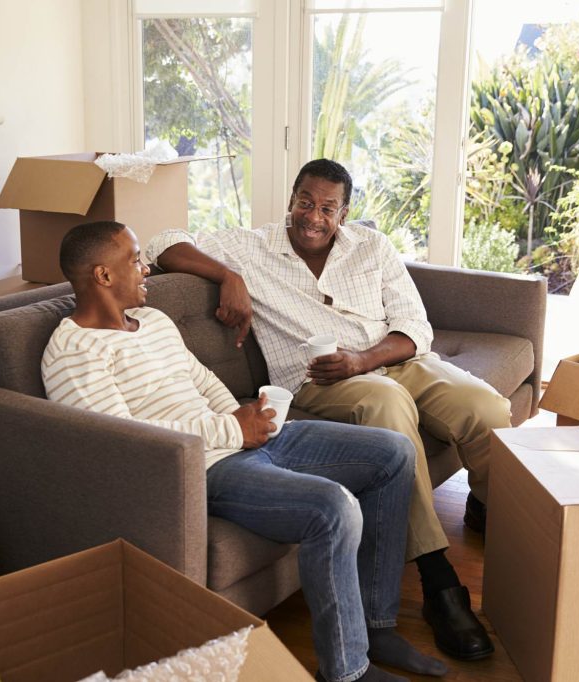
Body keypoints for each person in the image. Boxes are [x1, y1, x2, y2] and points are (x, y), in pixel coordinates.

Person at [43, 221, 448, 682]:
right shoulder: (73, 350)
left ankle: (377, 627)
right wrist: (233, 430)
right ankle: (348, 671)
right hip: (201, 467)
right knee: (333, 509)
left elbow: (202, 382)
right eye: (134, 260)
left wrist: (251, 418)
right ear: (103, 276)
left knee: (393, 453)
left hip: (239, 438)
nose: (145, 269)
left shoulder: (153, 321)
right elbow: (124, 440)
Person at [146, 158, 508, 661]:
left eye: (328, 208)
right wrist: (227, 275)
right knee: (388, 405)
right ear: (291, 199)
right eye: (305, 203)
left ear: (345, 212)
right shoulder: (249, 247)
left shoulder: (372, 246)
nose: (314, 217)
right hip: (319, 382)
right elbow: (160, 241)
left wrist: (364, 358)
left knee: (485, 407)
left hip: (393, 358)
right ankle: (439, 580)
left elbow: (414, 326)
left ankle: (487, 505)